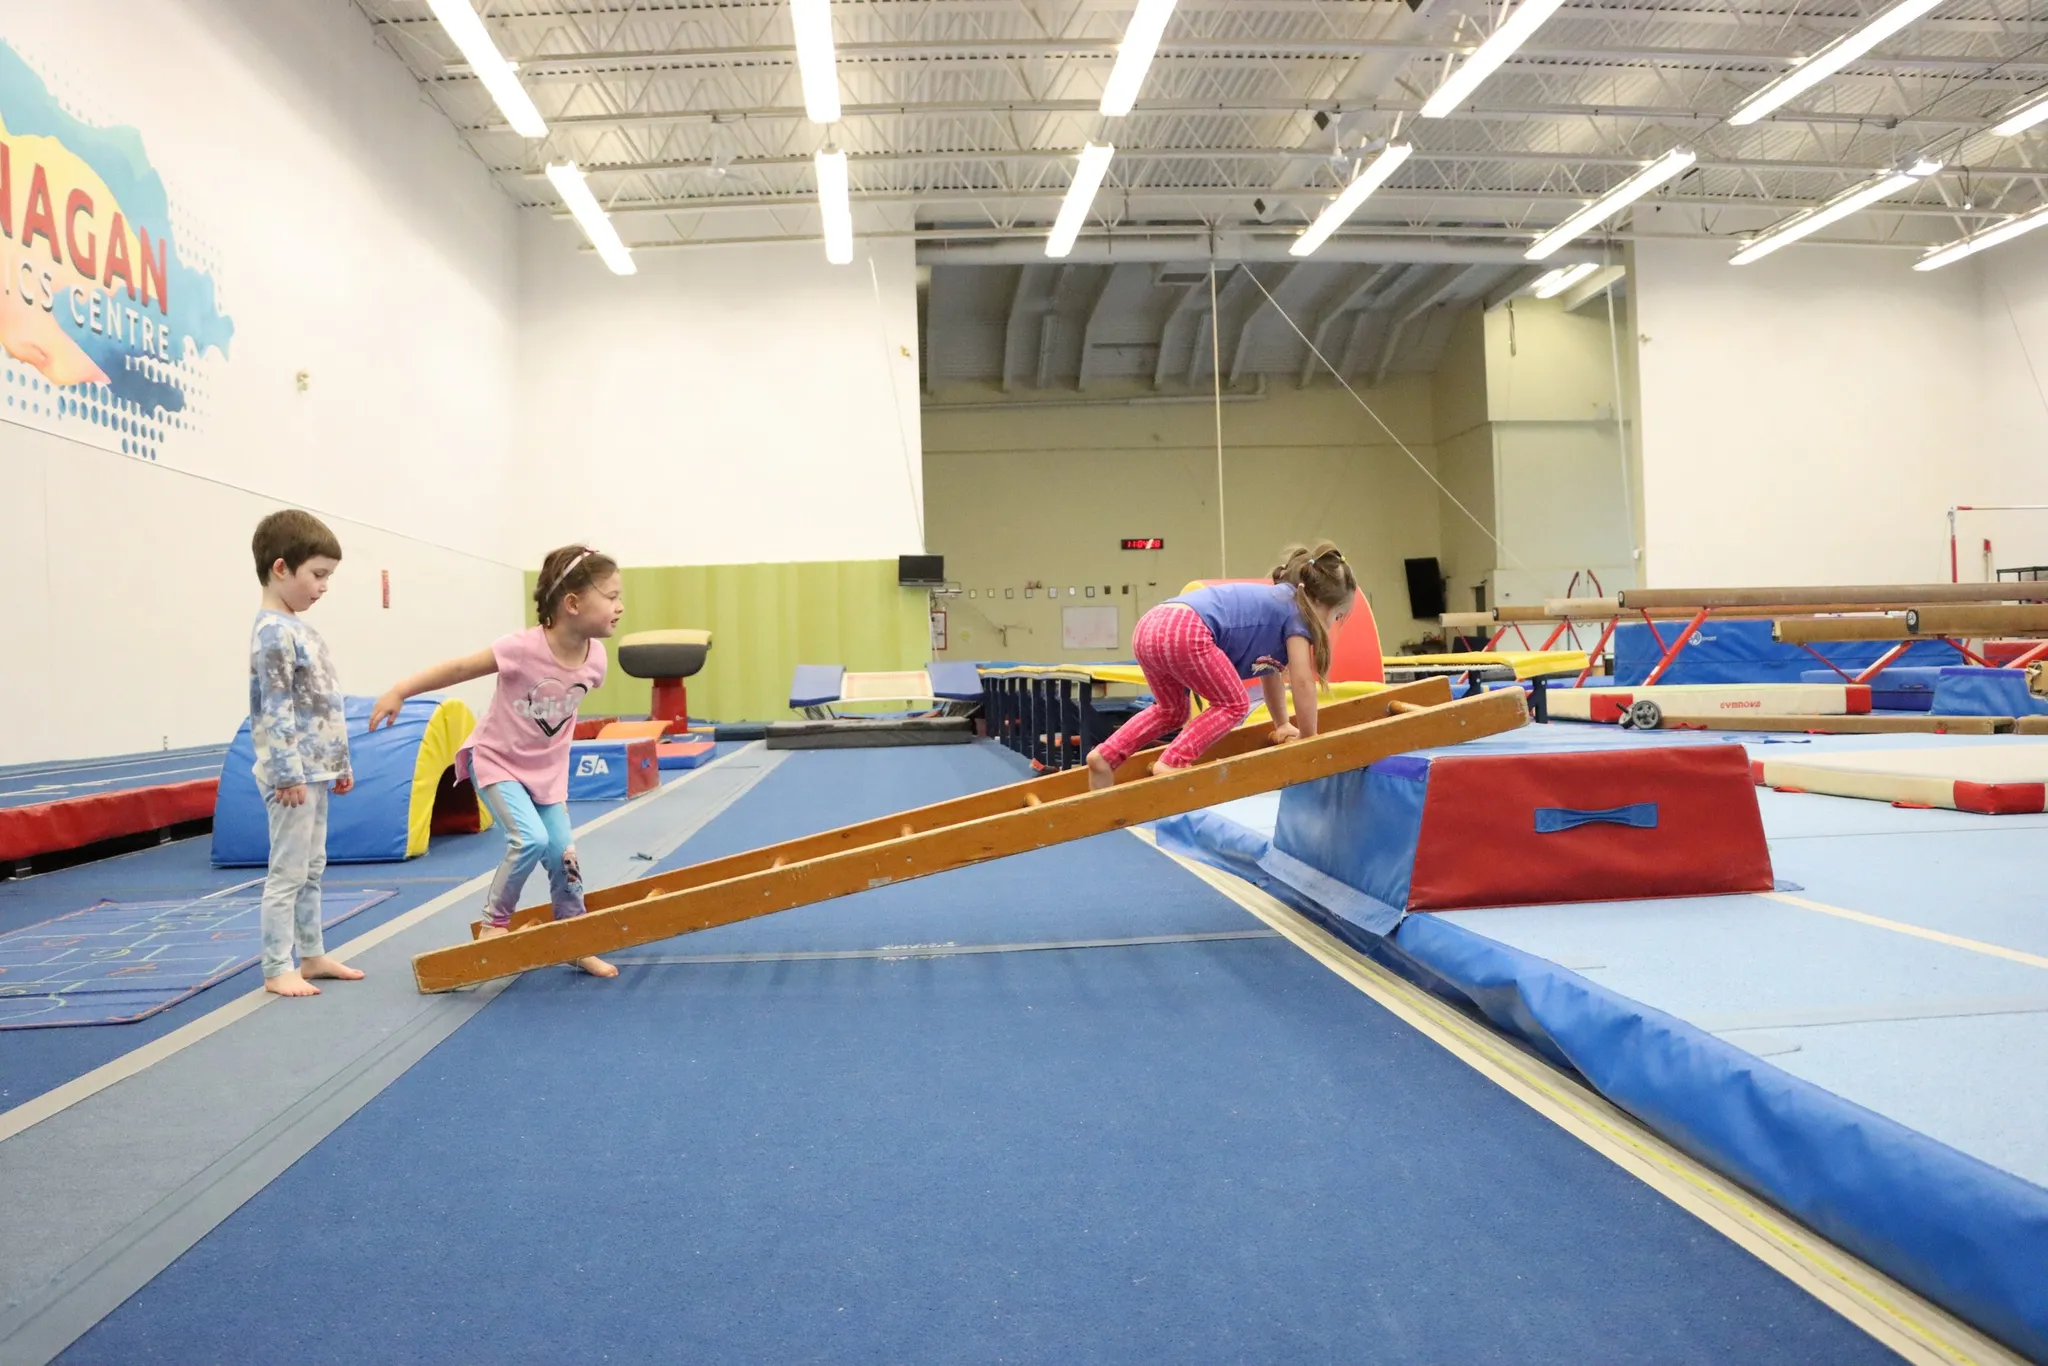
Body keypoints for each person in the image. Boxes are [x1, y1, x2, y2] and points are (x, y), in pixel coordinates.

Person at [370, 545, 625, 978]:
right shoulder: (522, 648)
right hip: (499, 762)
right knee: (529, 840)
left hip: (547, 774)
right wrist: (401, 690)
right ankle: (494, 925)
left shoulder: (595, 659)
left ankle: (575, 938)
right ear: (573, 603)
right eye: (612, 596)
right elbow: (459, 669)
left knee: (563, 853)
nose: (621, 607)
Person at [1086, 543, 1358, 790]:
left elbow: (1270, 673)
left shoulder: (1276, 605)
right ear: (1321, 604)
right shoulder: (1298, 614)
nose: (1332, 625)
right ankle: (1172, 762)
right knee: (1234, 705)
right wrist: (1309, 737)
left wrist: (1283, 724)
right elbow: (1302, 682)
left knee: (1171, 712)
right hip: (1186, 629)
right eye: (1336, 616)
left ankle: (1105, 756)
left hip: (1152, 624)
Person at [248, 509, 361, 998]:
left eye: (328, 576)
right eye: (318, 575)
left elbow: (321, 705)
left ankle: (311, 955)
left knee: (313, 867)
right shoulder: (273, 632)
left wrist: (339, 762)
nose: (324, 586)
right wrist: (287, 773)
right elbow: (275, 709)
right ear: (280, 569)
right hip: (290, 775)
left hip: (316, 769)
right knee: (288, 872)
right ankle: (277, 966)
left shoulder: (301, 628)